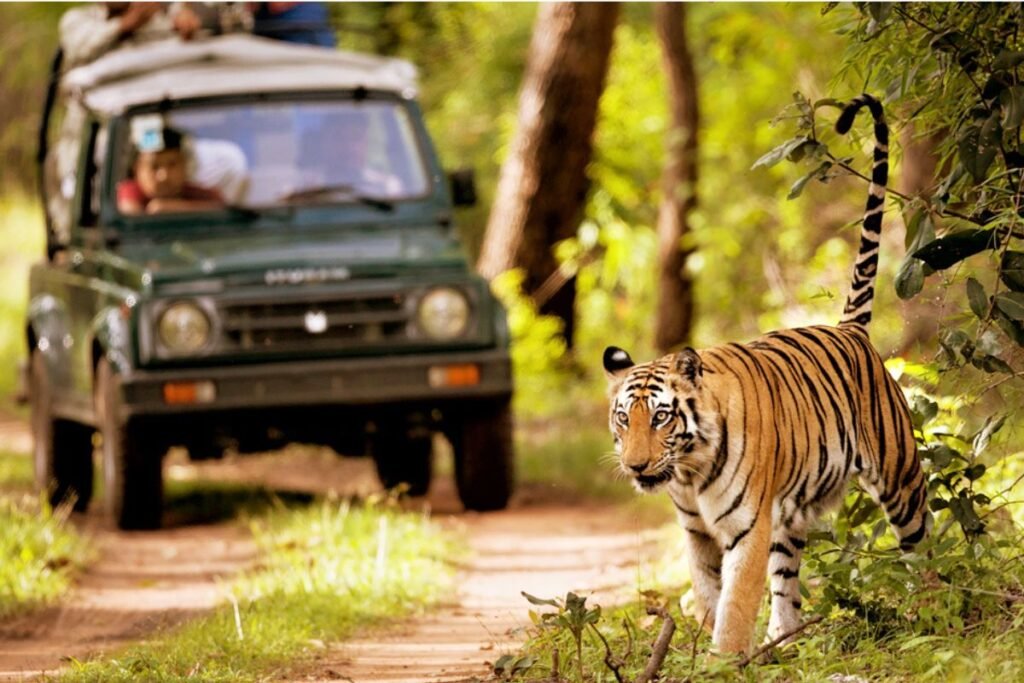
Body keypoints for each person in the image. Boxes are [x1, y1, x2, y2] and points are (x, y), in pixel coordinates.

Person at [117, 127, 224, 215]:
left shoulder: (203, 196)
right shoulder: (129, 192)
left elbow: (223, 211)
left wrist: (169, 208)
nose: (164, 176)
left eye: (172, 165)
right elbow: (130, 215)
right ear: (137, 170)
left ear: (184, 165)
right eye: (154, 167)